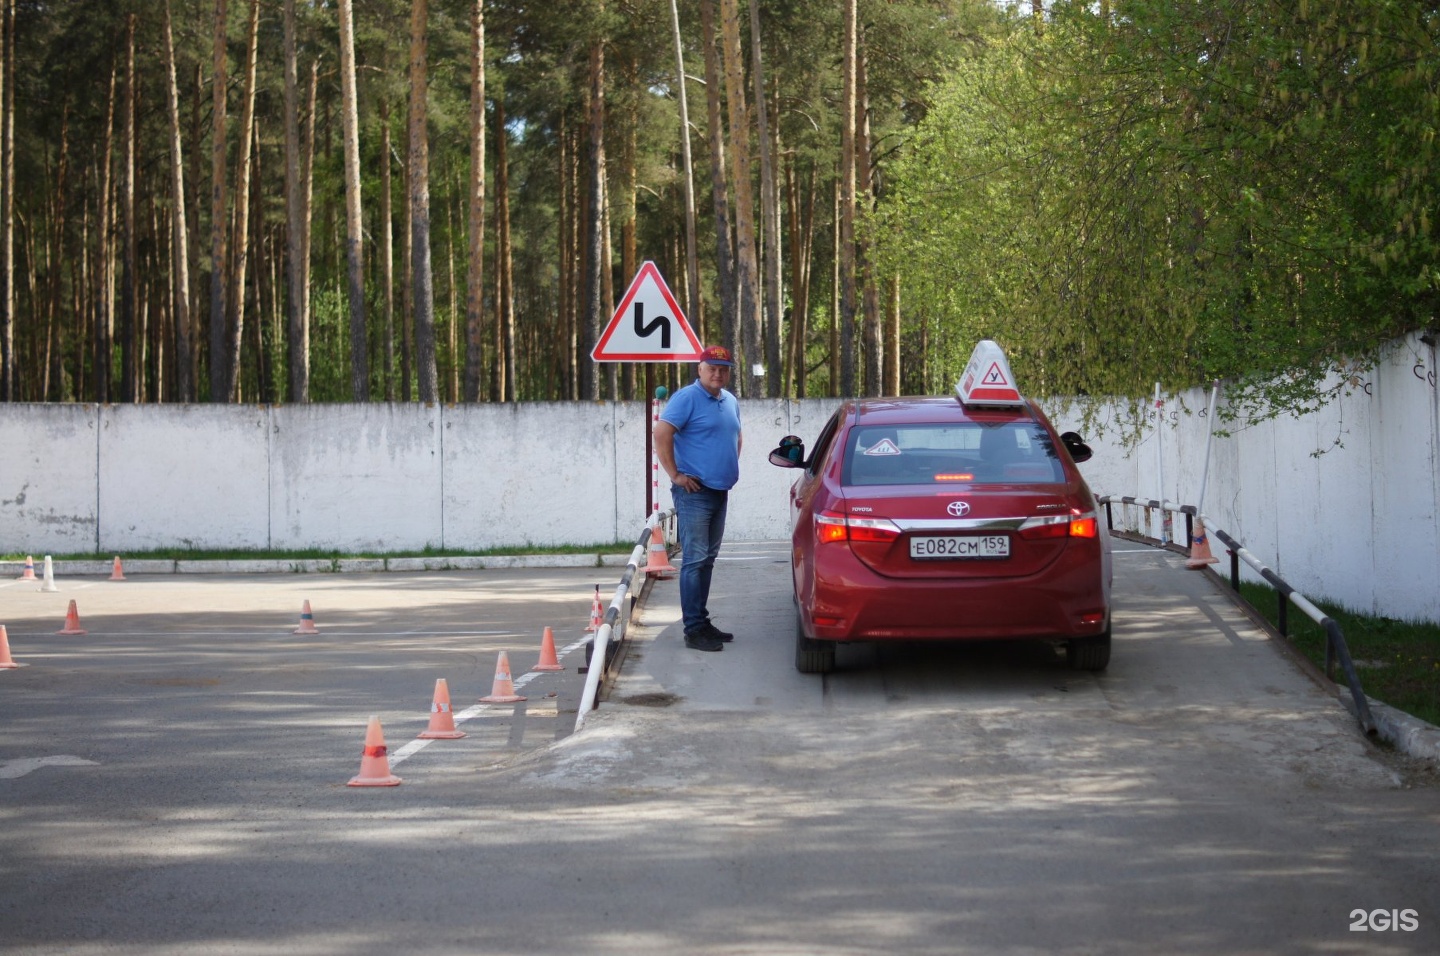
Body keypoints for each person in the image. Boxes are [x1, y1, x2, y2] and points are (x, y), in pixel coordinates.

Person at [654, 345, 743, 652]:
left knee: (707, 560)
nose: (718, 373)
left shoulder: (729, 400)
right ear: (700, 370)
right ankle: (693, 630)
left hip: (720, 490)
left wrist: (728, 466)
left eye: (724, 369)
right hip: (694, 492)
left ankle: (702, 622)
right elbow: (662, 433)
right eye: (712, 368)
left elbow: (735, 435)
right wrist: (676, 475)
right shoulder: (686, 398)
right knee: (694, 560)